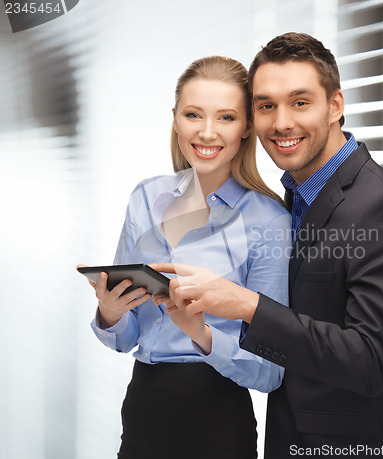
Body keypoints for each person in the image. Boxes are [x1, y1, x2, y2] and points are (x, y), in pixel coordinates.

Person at [152, 33, 383, 458]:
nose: (281, 122)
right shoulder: (295, 198)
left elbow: (372, 361)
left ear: (335, 106)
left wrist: (247, 305)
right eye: (266, 106)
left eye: (300, 102)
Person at [77, 55, 291, 459]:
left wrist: (201, 333)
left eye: (226, 117)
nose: (207, 132)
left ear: (246, 127)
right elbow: (127, 338)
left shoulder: (268, 221)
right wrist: (110, 313)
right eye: (194, 114)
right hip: (143, 408)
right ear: (176, 119)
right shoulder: (145, 198)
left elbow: (271, 372)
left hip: (217, 420)